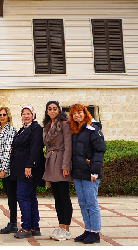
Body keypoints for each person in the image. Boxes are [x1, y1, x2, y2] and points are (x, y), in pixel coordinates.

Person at [69, 103, 106, 245]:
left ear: (85, 113)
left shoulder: (93, 129)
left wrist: (95, 171)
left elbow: (100, 150)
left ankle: (95, 232)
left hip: (90, 173)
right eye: (74, 113)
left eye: (79, 112)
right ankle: (88, 229)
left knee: (91, 203)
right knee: (83, 203)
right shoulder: (76, 130)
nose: (77, 115)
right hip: (78, 173)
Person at [9, 105, 45, 239]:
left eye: (28, 113)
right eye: (24, 114)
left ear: (33, 115)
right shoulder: (23, 129)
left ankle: (26, 228)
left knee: (22, 196)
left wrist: (30, 166)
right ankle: (34, 227)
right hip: (20, 169)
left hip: (28, 170)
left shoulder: (36, 129)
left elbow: (35, 149)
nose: (26, 116)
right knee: (30, 197)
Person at [42, 101, 73, 241]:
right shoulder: (48, 125)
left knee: (64, 196)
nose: (52, 111)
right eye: (50, 109)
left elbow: (68, 145)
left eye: (55, 108)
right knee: (57, 197)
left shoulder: (65, 124)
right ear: (47, 111)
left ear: (59, 110)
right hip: (51, 161)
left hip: (61, 161)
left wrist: (66, 166)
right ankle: (60, 226)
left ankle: (67, 229)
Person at [0, 106, 18, 234]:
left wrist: (4, 169)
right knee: (9, 195)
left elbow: (8, 152)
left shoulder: (10, 130)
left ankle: (13, 223)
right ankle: (12, 221)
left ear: (8, 116)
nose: (1, 117)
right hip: (1, 168)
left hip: (7, 169)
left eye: (4, 114)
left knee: (12, 196)